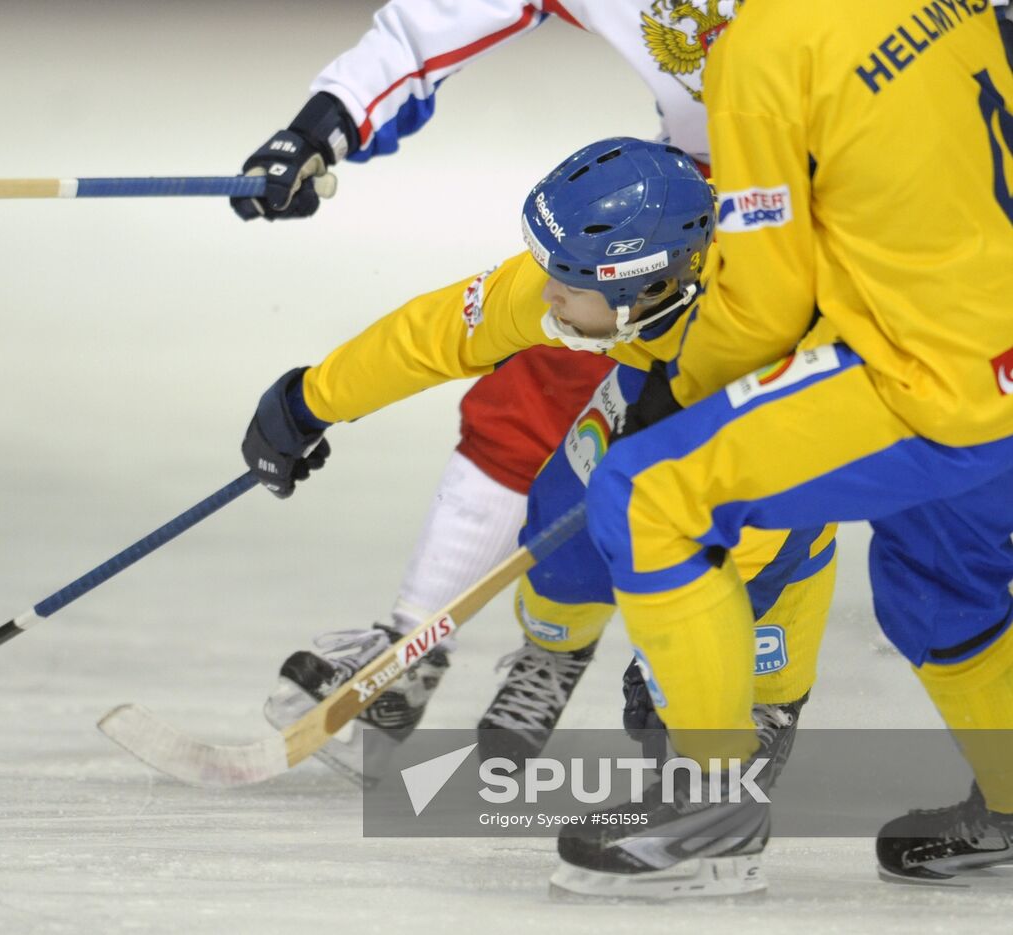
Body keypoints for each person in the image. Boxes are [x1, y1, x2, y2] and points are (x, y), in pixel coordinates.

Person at [243, 137, 836, 896]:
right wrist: (309, 400)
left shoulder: (780, 327)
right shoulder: (611, 278)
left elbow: (754, 543)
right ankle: (554, 649)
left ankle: (746, 748)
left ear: (645, 291)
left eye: (571, 282)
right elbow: (441, 332)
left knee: (698, 665)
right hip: (655, 405)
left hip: (771, 476)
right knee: (565, 507)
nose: (547, 293)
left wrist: (683, 660)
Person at [540, 0, 1013, 895]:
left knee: (648, 495)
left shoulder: (763, 48)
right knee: (941, 584)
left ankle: (712, 802)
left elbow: (762, 294)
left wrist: (673, 395)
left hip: (928, 374)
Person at [232, 0, 747, 781]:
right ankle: (414, 644)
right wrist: (323, 123)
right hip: (692, 202)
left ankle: (735, 689)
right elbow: (446, 16)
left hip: (888, 223)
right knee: (546, 383)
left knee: (782, 447)